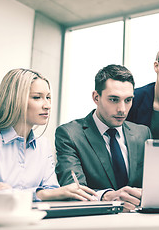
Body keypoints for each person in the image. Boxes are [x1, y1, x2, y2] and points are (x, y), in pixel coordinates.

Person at [0, 68, 97, 213]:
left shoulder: (43, 145)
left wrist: (9, 192)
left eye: (48, 97)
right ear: (15, 99)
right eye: (37, 97)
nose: (47, 105)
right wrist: (37, 194)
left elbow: (53, 193)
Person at [55, 64, 152, 212]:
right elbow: (73, 190)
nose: (122, 109)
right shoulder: (69, 134)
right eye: (114, 99)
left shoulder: (142, 133)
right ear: (96, 97)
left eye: (128, 100)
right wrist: (106, 196)